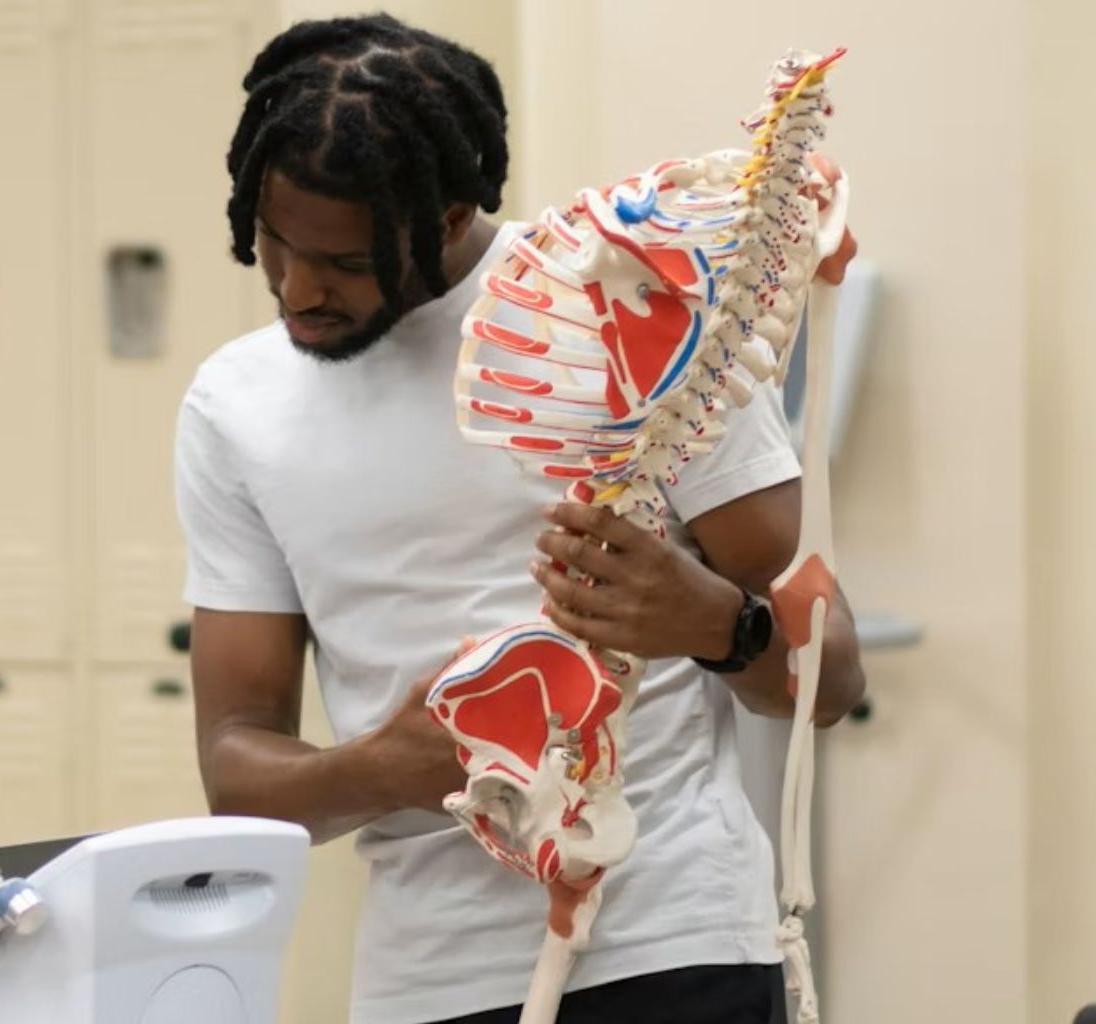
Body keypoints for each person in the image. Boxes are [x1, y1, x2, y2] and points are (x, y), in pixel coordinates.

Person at [175, 15, 868, 1024]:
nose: (296, 289)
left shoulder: (634, 315)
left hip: (672, 943)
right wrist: (380, 768)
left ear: (450, 212)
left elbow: (832, 676)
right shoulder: (233, 404)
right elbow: (235, 768)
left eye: (340, 260)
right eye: (273, 247)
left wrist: (715, 622)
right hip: (427, 981)